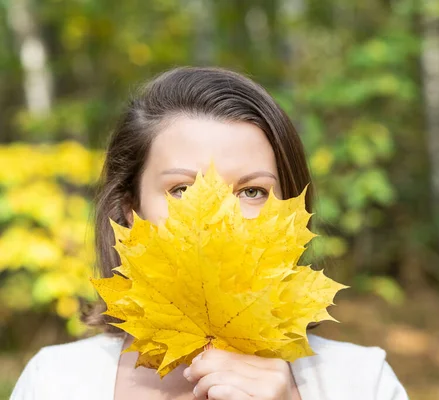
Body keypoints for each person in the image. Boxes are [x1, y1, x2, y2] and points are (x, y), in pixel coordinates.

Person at [10, 67, 409, 400]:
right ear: (130, 210)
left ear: (292, 214)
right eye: (182, 190)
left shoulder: (361, 381)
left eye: (252, 191)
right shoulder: (56, 382)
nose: (219, 218)